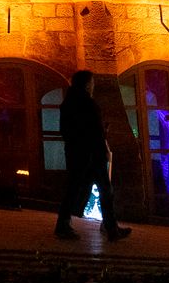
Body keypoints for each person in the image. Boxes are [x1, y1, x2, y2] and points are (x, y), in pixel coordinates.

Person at [54, 69, 132, 241]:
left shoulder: (69, 102)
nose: (93, 86)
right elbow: (92, 131)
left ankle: (107, 227)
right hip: (91, 155)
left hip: (78, 153)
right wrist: (102, 136)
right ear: (87, 84)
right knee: (102, 190)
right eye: (92, 83)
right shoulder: (87, 103)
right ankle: (109, 228)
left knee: (76, 188)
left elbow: (68, 130)